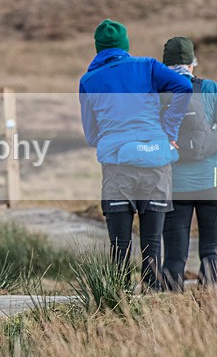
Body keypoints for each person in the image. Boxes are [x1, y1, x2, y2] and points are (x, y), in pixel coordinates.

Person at [79, 19, 192, 291]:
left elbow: (91, 135)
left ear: (98, 48)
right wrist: (168, 130)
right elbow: (184, 88)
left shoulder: (88, 80)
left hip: (117, 167)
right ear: (125, 45)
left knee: (119, 246)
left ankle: (118, 304)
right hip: (155, 160)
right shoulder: (148, 66)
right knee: (152, 243)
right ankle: (152, 302)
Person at [160, 37, 217, 290]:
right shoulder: (210, 89)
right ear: (193, 63)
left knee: (174, 254)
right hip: (210, 182)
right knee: (212, 249)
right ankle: (210, 305)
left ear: (165, 65)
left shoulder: (158, 93)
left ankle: (171, 307)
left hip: (175, 184)